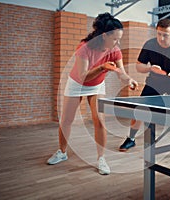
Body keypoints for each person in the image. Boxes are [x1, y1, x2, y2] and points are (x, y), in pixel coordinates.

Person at [47, 12, 138, 175]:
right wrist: (102, 68)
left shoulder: (115, 50)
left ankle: (101, 158)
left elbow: (121, 72)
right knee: (66, 120)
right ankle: (62, 152)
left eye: (119, 39)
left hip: (96, 86)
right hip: (77, 83)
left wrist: (129, 80)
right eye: (115, 39)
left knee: (100, 121)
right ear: (104, 36)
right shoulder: (85, 47)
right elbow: (83, 77)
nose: (118, 43)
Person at [118, 18, 170, 163]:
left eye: (165, 35)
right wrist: (150, 68)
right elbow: (139, 67)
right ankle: (131, 138)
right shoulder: (150, 44)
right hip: (154, 81)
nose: (161, 38)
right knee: (139, 109)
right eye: (159, 34)